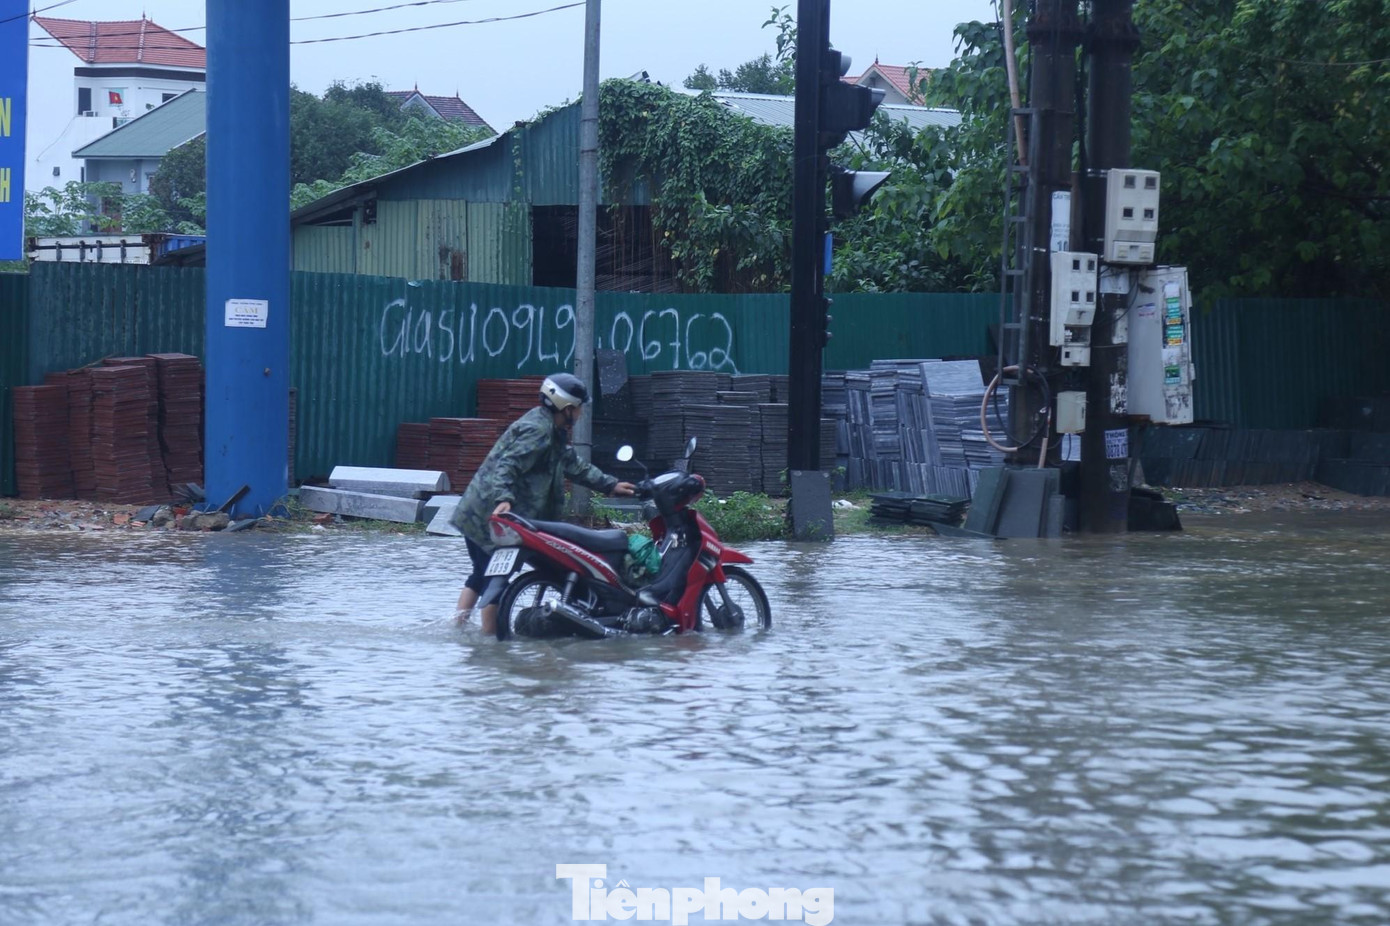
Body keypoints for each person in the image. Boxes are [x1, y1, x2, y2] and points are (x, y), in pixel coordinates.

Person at [451, 372, 636, 634]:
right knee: (492, 578)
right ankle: (490, 643)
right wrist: (504, 498)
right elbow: (507, 465)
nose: (581, 413)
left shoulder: (550, 429)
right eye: (580, 408)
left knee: (481, 575)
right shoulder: (538, 431)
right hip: (491, 514)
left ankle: (458, 630)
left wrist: (611, 485)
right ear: (567, 408)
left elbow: (574, 465)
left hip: (483, 511)